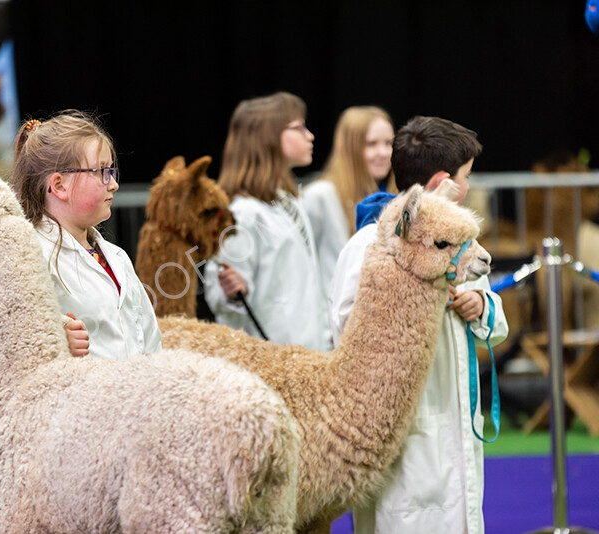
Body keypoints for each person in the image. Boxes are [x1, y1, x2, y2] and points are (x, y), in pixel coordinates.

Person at [328, 116, 509, 533]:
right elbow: (348, 330)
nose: (467, 187)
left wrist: (480, 305)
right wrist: (419, 297)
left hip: (456, 417)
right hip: (406, 427)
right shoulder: (367, 247)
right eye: (466, 177)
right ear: (445, 181)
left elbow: (494, 326)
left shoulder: (455, 242)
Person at [10, 111, 161, 359]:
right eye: (101, 171)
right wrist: (52, 340)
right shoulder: (28, 256)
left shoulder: (117, 257)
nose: (113, 184)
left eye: (111, 170)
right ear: (59, 186)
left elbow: (151, 339)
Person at [203, 92, 332, 351]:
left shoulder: (289, 201)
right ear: (267, 137)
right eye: (298, 128)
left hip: (308, 353)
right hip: (270, 359)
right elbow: (219, 295)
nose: (310, 136)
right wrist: (232, 290)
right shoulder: (242, 213)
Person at [301, 106, 395, 294]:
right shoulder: (320, 196)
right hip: (329, 318)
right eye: (372, 144)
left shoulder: (393, 197)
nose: (384, 152)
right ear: (347, 148)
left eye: (389, 143)